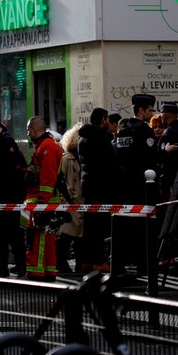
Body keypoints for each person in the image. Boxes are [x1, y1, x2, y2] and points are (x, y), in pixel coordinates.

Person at [113, 94, 158, 273]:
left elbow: (120, 155)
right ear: (141, 110)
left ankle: (122, 264)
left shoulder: (123, 129)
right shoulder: (144, 130)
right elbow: (151, 156)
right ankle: (143, 265)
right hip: (142, 184)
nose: (151, 113)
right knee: (143, 227)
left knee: (125, 225)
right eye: (149, 109)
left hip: (125, 184)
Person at [0, 113, 28, 278]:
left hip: (7, 196)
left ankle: (18, 266)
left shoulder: (6, 142)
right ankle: (4, 266)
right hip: (0, 195)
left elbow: (7, 170)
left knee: (11, 232)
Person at [77, 107, 118, 273]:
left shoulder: (83, 139)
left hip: (88, 186)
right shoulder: (101, 139)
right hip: (101, 186)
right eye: (107, 119)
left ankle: (86, 260)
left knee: (89, 226)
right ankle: (98, 261)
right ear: (103, 120)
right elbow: (109, 165)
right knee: (99, 228)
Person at [25, 116, 62, 281]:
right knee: (47, 238)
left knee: (38, 237)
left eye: (28, 130)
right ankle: (48, 271)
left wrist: (41, 202)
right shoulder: (44, 145)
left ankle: (37, 272)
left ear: (34, 129)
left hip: (42, 201)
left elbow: (48, 177)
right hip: (44, 200)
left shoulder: (47, 147)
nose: (27, 134)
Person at [56, 123, 85, 275]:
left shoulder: (82, 157)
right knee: (67, 234)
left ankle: (79, 264)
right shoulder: (66, 158)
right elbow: (60, 180)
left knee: (79, 236)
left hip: (80, 202)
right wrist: (65, 199)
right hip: (70, 202)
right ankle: (62, 263)